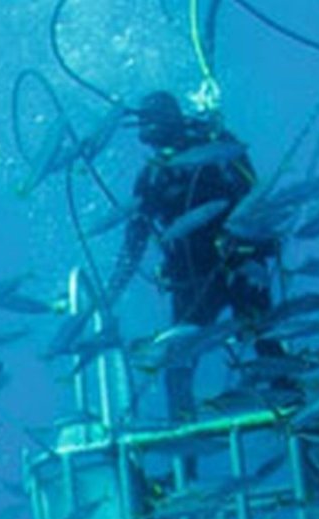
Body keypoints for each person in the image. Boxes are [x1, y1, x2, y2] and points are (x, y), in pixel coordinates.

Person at [103, 91, 286, 422]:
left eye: (149, 120)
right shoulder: (152, 177)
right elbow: (135, 240)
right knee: (178, 364)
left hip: (240, 266)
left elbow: (257, 197)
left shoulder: (218, 147)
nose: (146, 131)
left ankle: (301, 427)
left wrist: (259, 245)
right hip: (191, 279)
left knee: (266, 346)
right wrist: (112, 290)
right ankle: (183, 458)